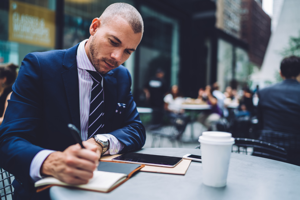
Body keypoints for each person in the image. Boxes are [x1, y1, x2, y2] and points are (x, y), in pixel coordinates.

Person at [0, 3, 146, 199]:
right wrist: (53, 162)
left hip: (104, 189)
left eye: (128, 51)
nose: (117, 57)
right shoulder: (40, 67)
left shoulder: (121, 76)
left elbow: (135, 128)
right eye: (113, 42)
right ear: (94, 27)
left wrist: (100, 143)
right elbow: (8, 141)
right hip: (45, 192)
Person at [257, 55, 300, 166]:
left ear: (280, 73)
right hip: (295, 155)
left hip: (266, 150)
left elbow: (260, 123)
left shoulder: (264, 92)